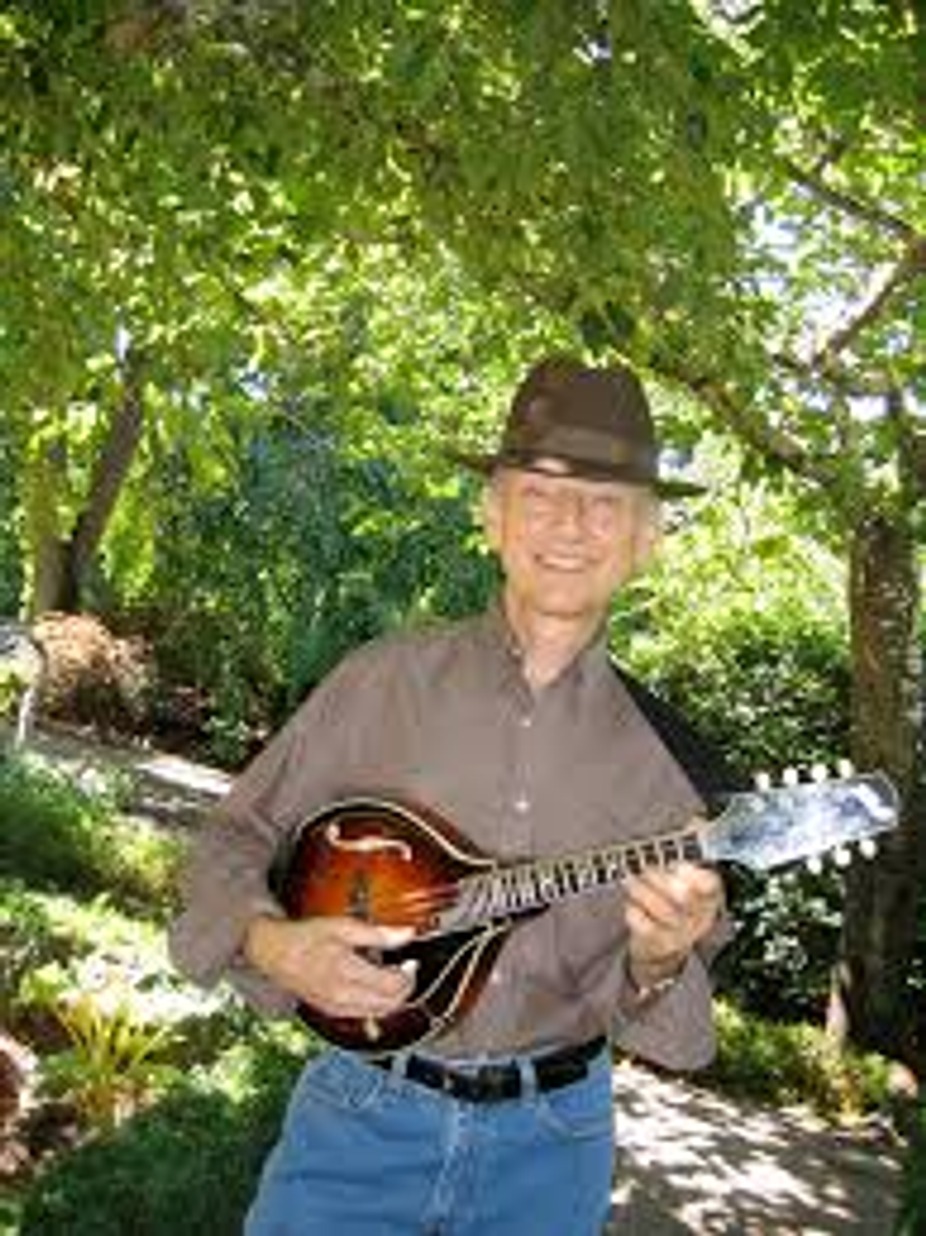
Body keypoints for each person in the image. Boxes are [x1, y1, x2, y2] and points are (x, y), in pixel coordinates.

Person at [170, 356, 730, 1236]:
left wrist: (661, 959)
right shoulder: (379, 683)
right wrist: (271, 943)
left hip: (554, 1150)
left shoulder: (677, 769)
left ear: (647, 537)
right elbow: (227, 842)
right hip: (356, 1121)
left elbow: (668, 1015)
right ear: (492, 515)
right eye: (540, 494)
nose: (570, 525)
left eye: (605, 503)